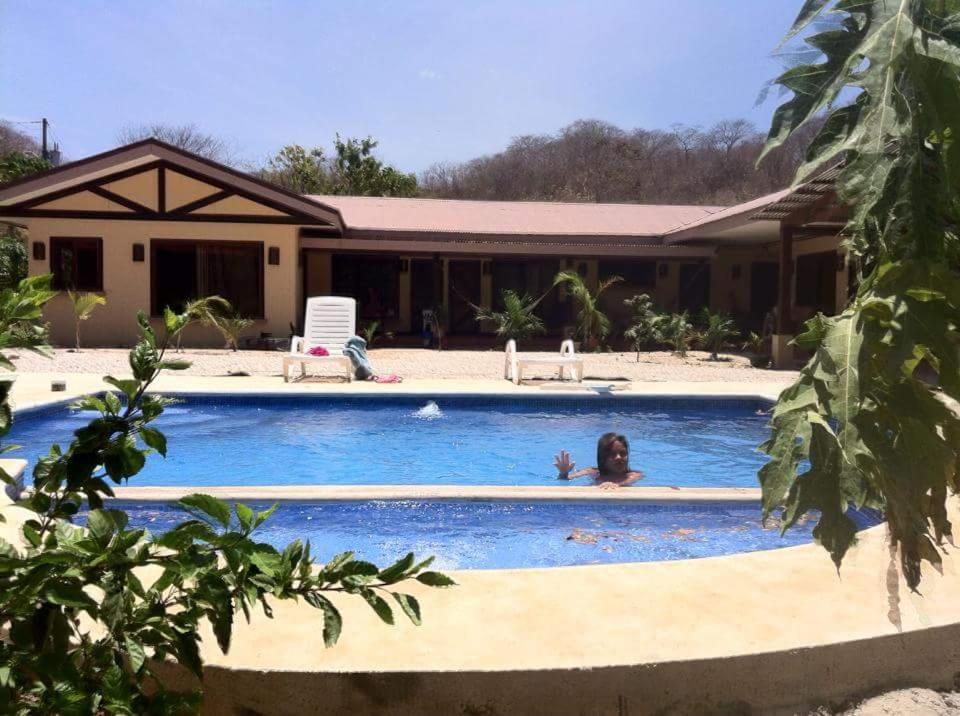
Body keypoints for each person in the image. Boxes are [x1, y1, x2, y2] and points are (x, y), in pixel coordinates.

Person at [553, 432, 644, 490]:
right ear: (603, 458)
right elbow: (564, 481)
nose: (618, 457)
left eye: (623, 453)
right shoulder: (592, 472)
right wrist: (563, 473)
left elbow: (627, 482)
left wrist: (616, 485)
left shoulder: (634, 475)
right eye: (612, 454)